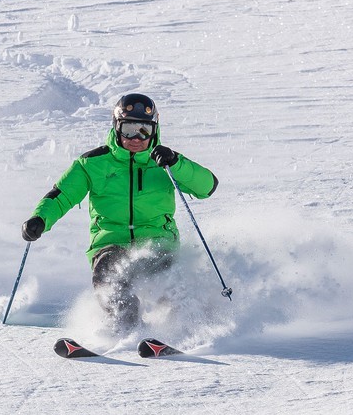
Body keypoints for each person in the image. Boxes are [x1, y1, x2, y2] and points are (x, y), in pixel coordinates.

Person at [22, 93, 218, 333]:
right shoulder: (92, 164)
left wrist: (177, 163)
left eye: (144, 130)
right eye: (128, 130)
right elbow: (61, 195)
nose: (136, 138)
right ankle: (126, 329)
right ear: (116, 127)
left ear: (154, 130)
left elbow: (207, 186)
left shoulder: (165, 162)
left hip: (158, 242)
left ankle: (184, 331)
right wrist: (40, 219)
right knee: (110, 274)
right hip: (110, 243)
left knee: (171, 282)